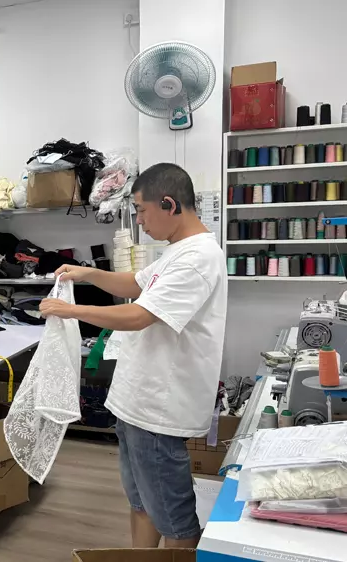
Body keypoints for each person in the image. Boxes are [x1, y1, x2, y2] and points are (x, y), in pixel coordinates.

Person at [39, 163, 226, 548]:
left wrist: (72, 310)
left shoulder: (198, 258)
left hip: (159, 409)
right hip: (136, 402)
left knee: (174, 519)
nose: (139, 220)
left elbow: (140, 316)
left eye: (141, 210)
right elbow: (136, 284)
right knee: (142, 503)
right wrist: (86, 273)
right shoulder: (177, 251)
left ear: (169, 204)